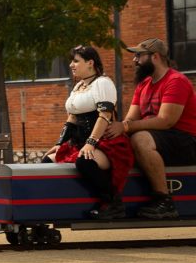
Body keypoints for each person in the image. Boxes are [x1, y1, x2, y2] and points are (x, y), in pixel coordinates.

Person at [104, 38, 196, 219]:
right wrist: (115, 131)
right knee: (116, 141)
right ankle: (111, 202)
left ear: (155, 57)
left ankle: (165, 202)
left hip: (186, 141)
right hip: (158, 138)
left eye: (139, 55)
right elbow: (131, 119)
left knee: (139, 138)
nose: (135, 60)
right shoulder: (144, 84)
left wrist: (125, 126)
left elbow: (165, 121)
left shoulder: (176, 81)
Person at [44, 45, 134, 219]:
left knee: (85, 162)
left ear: (90, 63)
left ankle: (114, 204)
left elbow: (105, 116)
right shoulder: (79, 86)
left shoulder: (103, 83)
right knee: (47, 161)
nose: (71, 65)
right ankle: (54, 206)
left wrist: (91, 143)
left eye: (76, 61)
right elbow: (72, 118)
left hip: (105, 143)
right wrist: (59, 143)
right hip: (80, 143)